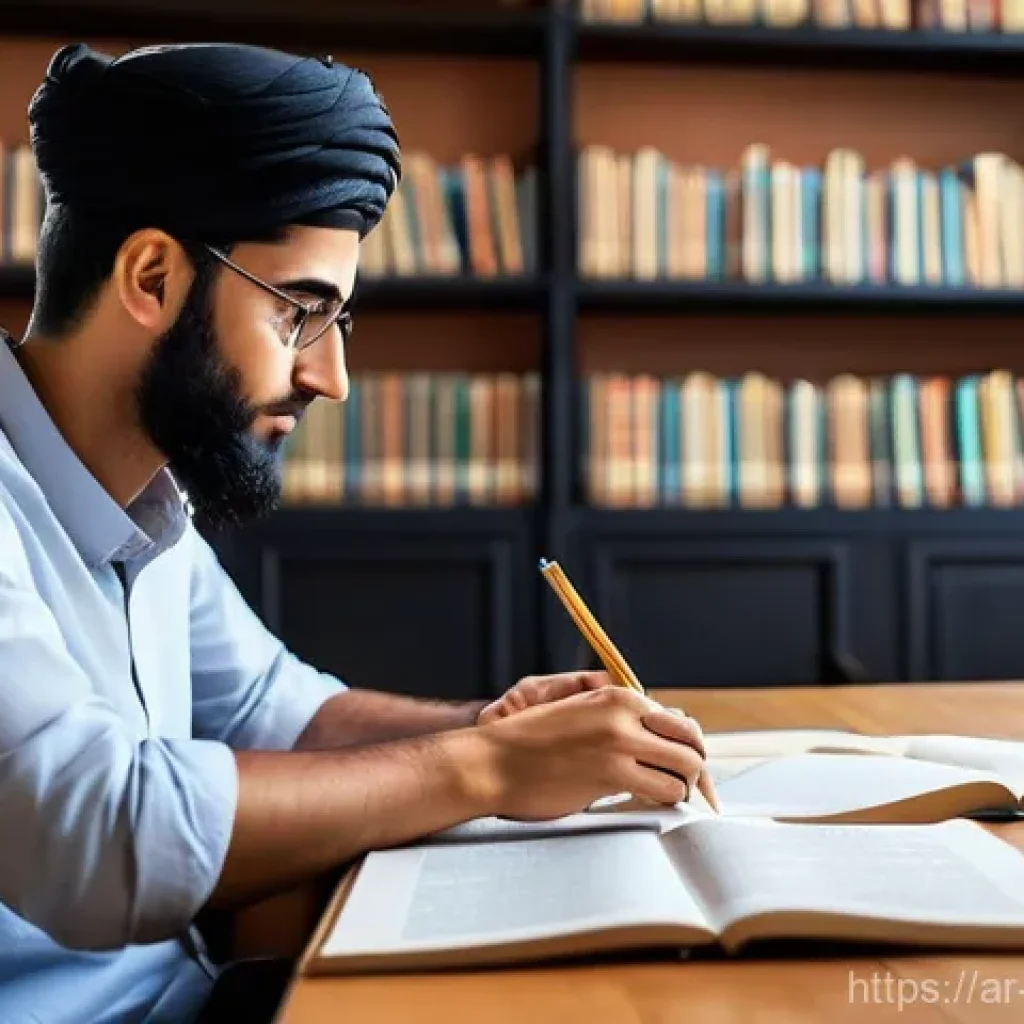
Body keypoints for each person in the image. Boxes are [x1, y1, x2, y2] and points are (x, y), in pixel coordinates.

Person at [0, 41, 712, 1024]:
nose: (330, 376)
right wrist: (491, 770)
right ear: (152, 276)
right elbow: (97, 831)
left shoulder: (151, 503)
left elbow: (280, 710)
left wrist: (498, 724)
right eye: (300, 312)